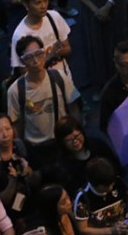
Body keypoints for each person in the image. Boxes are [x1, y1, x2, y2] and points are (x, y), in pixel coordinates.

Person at [6, 34, 77, 166]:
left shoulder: (59, 77)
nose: (36, 61)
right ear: (22, 62)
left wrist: (75, 133)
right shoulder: (15, 91)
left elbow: (73, 107)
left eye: (38, 54)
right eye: (29, 57)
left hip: (63, 142)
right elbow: (16, 125)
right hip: (36, 150)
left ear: (45, 54)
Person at [73, 157, 128, 235]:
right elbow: (83, 229)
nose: (111, 187)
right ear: (94, 183)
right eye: (106, 186)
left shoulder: (117, 182)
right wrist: (111, 231)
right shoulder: (83, 198)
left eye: (112, 184)